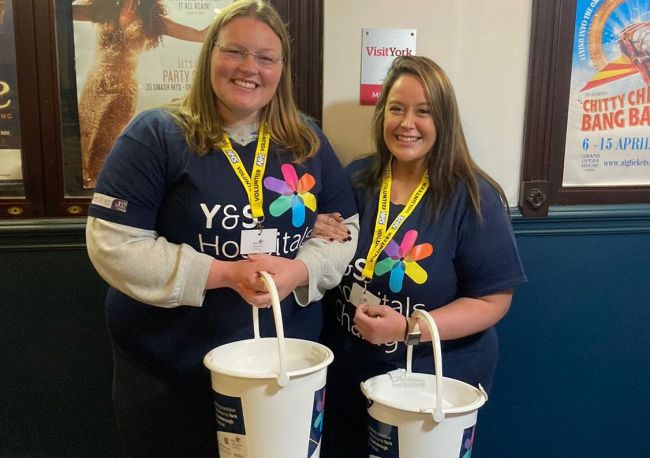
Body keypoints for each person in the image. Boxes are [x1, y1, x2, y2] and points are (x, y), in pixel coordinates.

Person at [84, 1, 358, 456]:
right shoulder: (156, 135)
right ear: (209, 55)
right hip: (171, 374)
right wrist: (225, 274)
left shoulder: (306, 140)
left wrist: (300, 271)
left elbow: (343, 227)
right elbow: (113, 244)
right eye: (234, 52)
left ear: (281, 69)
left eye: (266, 57)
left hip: (281, 374)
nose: (249, 68)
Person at [315, 55, 527, 457]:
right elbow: (330, 243)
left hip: (433, 383)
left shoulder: (473, 197)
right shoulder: (356, 178)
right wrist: (316, 225)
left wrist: (408, 328)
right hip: (351, 375)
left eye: (423, 112)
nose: (406, 123)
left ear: (443, 121)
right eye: (396, 109)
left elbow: (493, 300)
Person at [72, 0, 208, 188]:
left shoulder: (152, 20)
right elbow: (60, 12)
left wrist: (235, 13)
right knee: (81, 144)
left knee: (101, 150)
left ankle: (101, 197)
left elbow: (200, 35)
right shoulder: (101, 8)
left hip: (122, 91)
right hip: (94, 85)